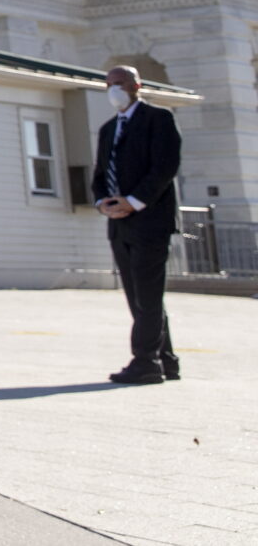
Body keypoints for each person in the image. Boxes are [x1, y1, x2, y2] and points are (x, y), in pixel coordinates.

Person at [94, 65, 183, 384]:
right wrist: (103, 202)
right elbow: (100, 176)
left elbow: (165, 167)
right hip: (119, 225)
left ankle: (145, 362)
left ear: (136, 85)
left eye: (119, 83)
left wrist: (133, 201)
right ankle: (165, 360)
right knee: (140, 296)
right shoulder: (107, 129)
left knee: (148, 294)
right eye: (109, 85)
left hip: (150, 222)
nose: (114, 89)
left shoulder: (159, 119)